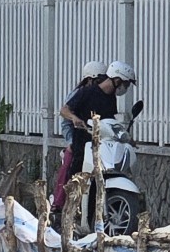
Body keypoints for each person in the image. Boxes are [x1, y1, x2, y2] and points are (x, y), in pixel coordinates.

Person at [54, 58, 135, 218]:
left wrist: (126, 137)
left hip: (101, 144)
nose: (126, 88)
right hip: (82, 144)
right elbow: (64, 110)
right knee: (76, 179)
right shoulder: (87, 92)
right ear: (117, 80)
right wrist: (74, 118)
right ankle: (65, 214)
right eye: (126, 84)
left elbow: (109, 121)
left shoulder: (111, 97)